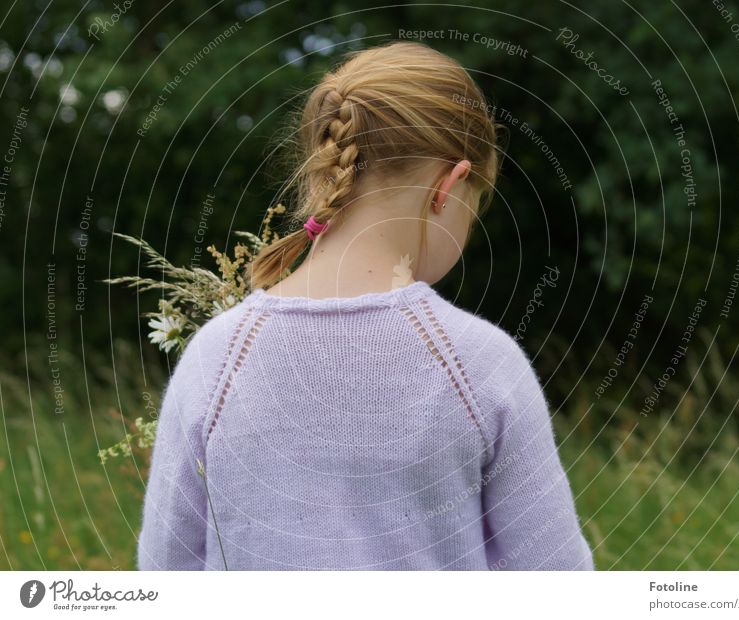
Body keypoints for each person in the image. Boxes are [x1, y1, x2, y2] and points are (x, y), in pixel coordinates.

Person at [137, 41, 594, 570]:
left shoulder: (215, 359)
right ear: (450, 186)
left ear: (322, 174)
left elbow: (165, 571)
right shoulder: (480, 365)